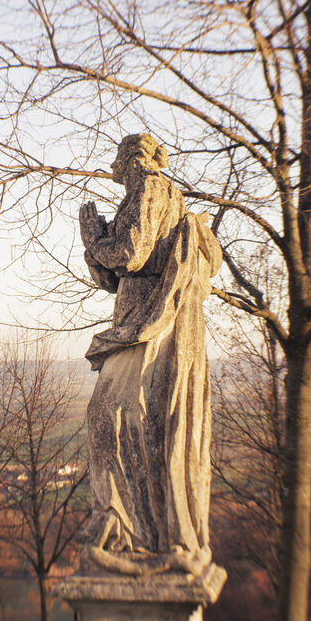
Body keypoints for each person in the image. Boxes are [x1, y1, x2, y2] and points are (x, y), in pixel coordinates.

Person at [78, 132, 222, 575]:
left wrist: (92, 237)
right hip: (138, 318)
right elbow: (113, 278)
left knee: (109, 417)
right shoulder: (155, 194)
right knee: (131, 422)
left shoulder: (151, 188)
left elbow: (131, 252)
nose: (117, 174)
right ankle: (136, 531)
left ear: (128, 163)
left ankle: (128, 532)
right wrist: (100, 243)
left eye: (118, 165)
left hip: (147, 325)